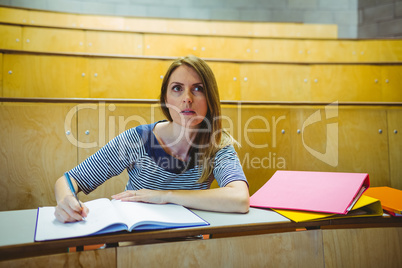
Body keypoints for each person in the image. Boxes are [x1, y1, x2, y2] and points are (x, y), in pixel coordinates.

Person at [54, 55, 249, 223]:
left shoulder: (218, 145)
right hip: (136, 242)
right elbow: (69, 180)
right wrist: (66, 201)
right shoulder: (138, 139)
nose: (187, 98)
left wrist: (165, 196)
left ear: (210, 98)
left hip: (190, 246)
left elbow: (240, 198)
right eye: (177, 88)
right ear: (165, 98)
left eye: (197, 88)